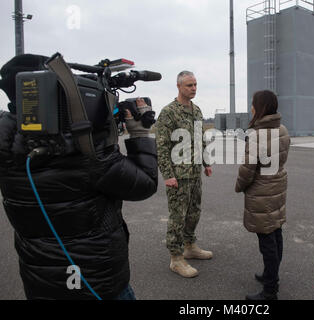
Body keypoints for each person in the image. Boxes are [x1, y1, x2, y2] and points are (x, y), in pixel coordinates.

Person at [0, 54, 158, 300]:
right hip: (96, 283)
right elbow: (144, 184)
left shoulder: (6, 141)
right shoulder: (85, 149)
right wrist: (139, 134)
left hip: (40, 281)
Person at [156, 71, 213, 278]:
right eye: (189, 85)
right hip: (178, 175)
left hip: (194, 173)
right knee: (177, 217)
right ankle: (176, 258)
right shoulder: (168, 112)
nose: (194, 88)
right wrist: (167, 175)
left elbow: (200, 139)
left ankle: (190, 246)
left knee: (194, 212)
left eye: (195, 84)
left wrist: (206, 162)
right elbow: (162, 147)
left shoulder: (196, 111)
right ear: (179, 86)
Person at [235, 90, 291, 300]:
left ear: (261, 107)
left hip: (262, 191)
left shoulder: (257, 135)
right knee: (275, 232)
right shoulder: (283, 129)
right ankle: (271, 274)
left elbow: (247, 170)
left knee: (266, 239)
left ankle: (270, 291)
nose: (251, 108)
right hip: (277, 186)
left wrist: (239, 186)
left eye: (253, 104)